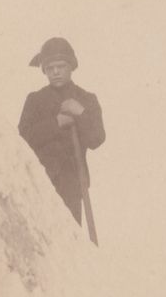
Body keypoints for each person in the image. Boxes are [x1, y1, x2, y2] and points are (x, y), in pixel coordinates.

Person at [18, 37, 105, 224]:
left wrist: (80, 112)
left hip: (72, 182)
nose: (55, 72)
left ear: (71, 67)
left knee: (71, 240)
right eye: (50, 68)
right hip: (40, 180)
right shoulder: (35, 100)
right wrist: (56, 123)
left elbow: (97, 138)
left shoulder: (86, 99)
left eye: (61, 66)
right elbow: (23, 138)